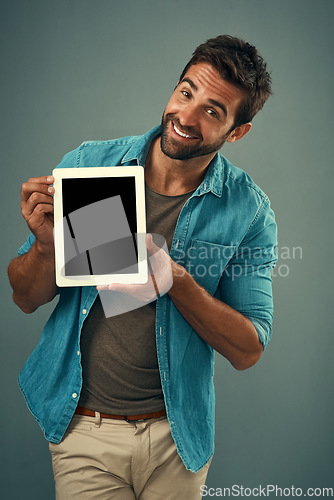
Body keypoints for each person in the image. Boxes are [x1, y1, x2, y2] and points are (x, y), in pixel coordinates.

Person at [8, 35, 277, 499]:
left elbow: (248, 349)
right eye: (186, 91)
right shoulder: (92, 167)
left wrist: (177, 281)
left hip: (177, 439)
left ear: (237, 132)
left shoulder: (247, 211)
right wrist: (46, 246)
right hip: (84, 432)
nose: (186, 117)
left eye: (213, 111)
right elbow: (24, 296)